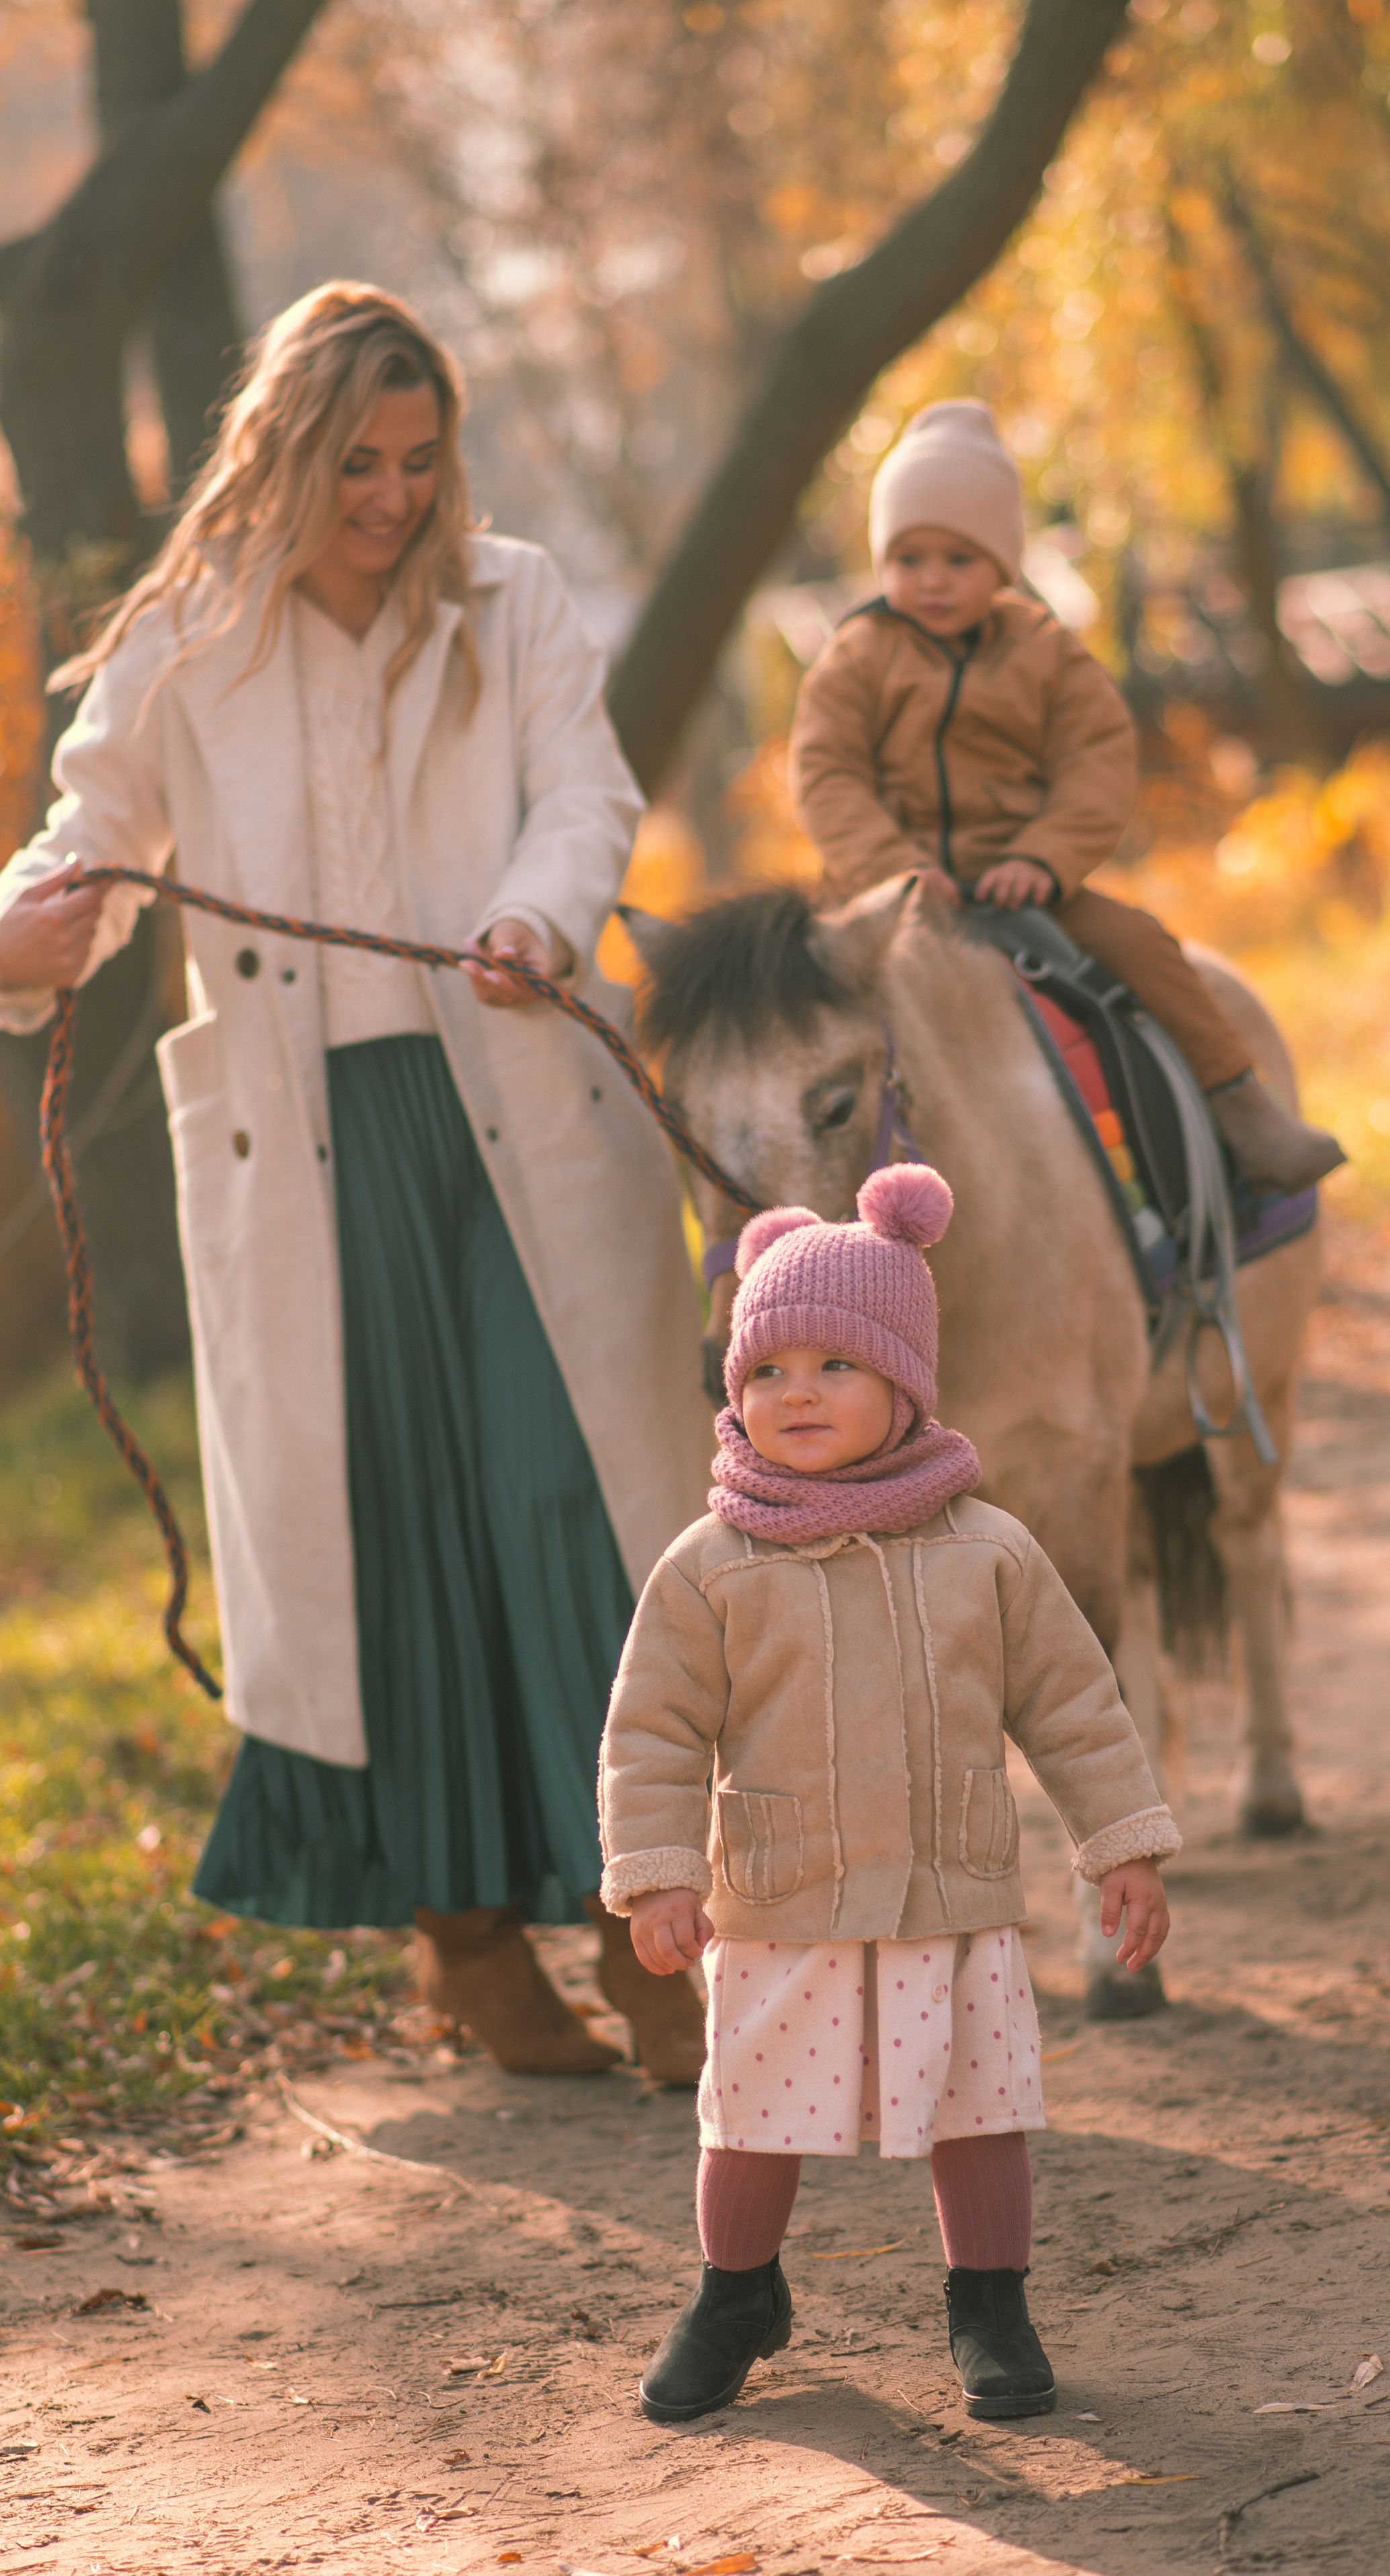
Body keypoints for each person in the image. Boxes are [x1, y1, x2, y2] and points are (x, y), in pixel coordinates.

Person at [0, 283, 711, 2086]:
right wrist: (42, 924)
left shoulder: (515, 593)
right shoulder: (187, 634)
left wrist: (537, 913)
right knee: (391, 1534)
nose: (394, 496)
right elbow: (94, 838)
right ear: (288, 451)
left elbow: (590, 791)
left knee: (566, 1500)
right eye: (359, 464)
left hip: (521, 1113)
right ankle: (467, 1943)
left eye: (420, 458)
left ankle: (648, 1927)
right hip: (305, 1159)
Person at [597, 1162, 1181, 2424]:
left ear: (908, 1381)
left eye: (835, 1367)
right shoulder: (711, 1563)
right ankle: (735, 2291)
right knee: (751, 2106)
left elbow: (1077, 1704)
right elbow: (651, 1729)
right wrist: (657, 1872)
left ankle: (991, 2300)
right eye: (766, 1370)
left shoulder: (986, 1547)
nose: (794, 1392)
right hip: (780, 1892)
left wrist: (1121, 1842)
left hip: (949, 1888)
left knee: (981, 2100)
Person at [789, 400, 1345, 1195]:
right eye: (909, 559)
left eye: (958, 559)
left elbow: (1096, 760)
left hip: (1025, 881)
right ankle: (798, 1187)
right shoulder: (857, 656)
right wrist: (893, 869)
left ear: (1002, 565)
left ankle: (1241, 1108)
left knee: (1144, 945)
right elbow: (827, 772)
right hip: (890, 903)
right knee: (800, 1002)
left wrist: (1043, 858)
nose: (931, 579)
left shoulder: (1043, 651)